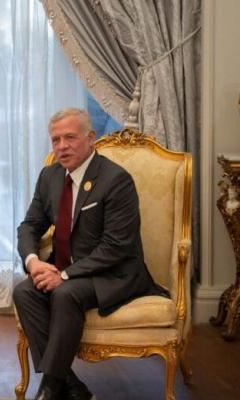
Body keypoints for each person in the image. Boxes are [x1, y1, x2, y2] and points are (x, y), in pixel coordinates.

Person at [12, 108, 167, 400]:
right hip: (65, 270)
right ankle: (72, 386)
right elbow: (30, 226)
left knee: (65, 293)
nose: (62, 146)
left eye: (70, 138)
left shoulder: (116, 180)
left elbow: (116, 246)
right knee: (24, 292)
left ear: (90, 137)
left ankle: (51, 390)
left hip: (112, 273)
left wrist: (64, 275)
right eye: (56, 140)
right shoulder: (50, 176)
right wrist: (33, 263)